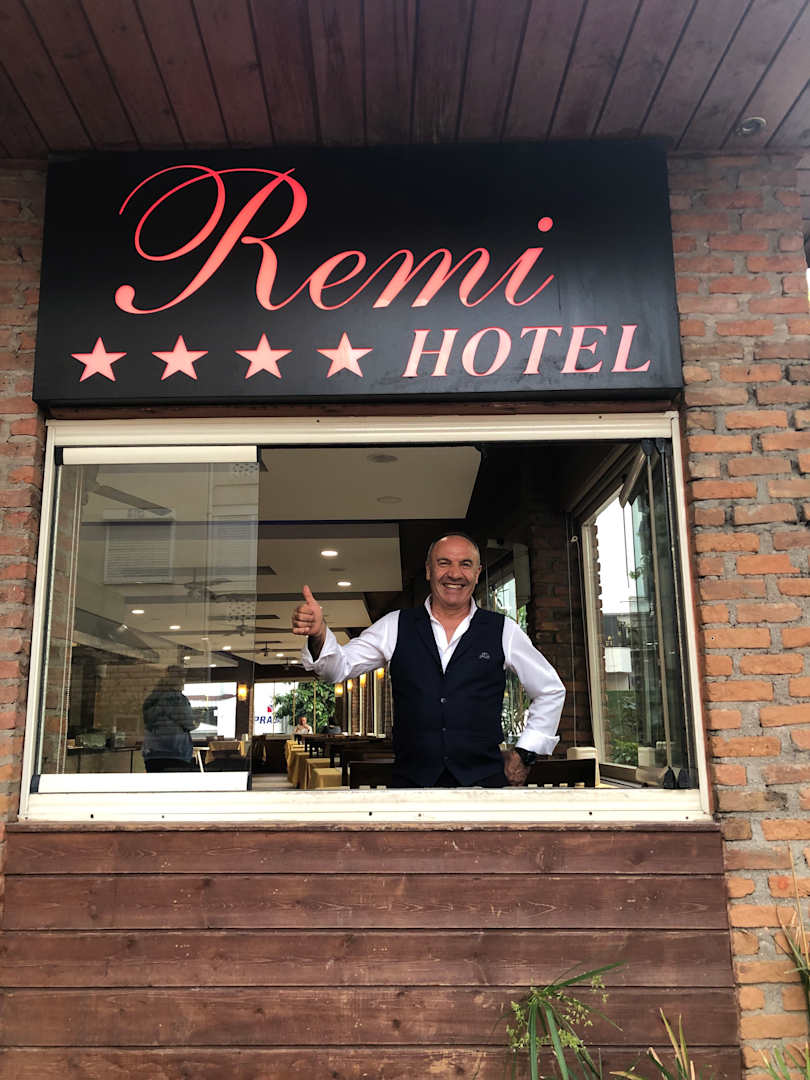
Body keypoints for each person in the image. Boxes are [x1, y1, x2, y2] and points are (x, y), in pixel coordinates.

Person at [292, 533, 565, 788]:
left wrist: (526, 752)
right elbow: (338, 668)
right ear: (428, 570)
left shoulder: (503, 630)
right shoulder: (395, 625)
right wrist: (319, 634)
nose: (454, 573)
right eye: (444, 563)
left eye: (465, 564)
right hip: (411, 783)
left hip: (484, 784)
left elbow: (550, 690)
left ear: (477, 573)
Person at [141, 665, 197, 772]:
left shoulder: (152, 698)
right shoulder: (179, 699)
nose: (183, 681)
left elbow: (147, 721)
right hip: (176, 752)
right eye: (181, 677)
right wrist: (197, 721)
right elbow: (188, 723)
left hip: (152, 752)